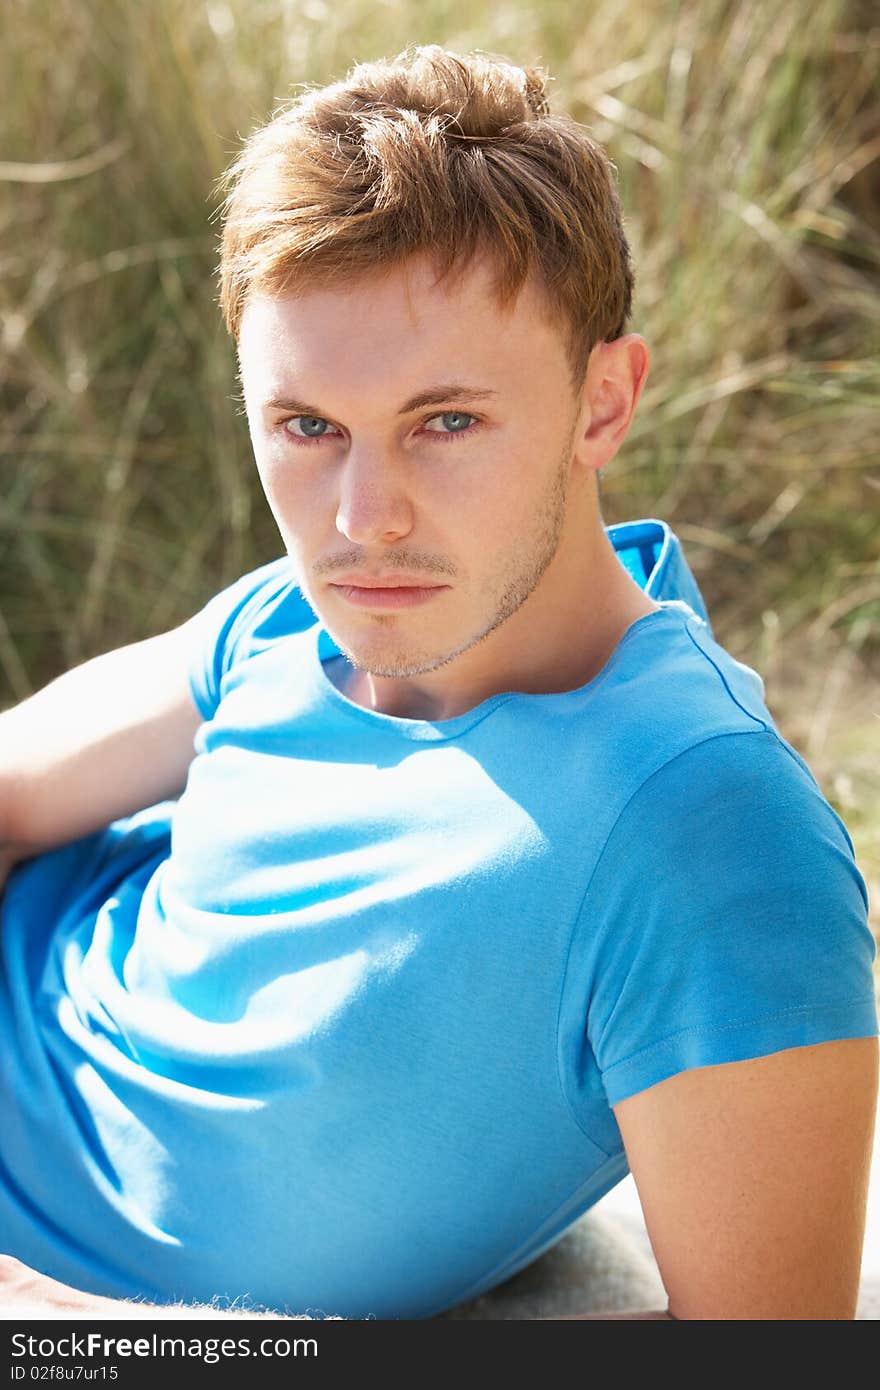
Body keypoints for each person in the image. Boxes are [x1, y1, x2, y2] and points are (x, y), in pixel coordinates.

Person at [0, 44, 877, 1322]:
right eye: (308, 427)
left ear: (603, 402)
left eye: (445, 421)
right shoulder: (286, 619)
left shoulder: (715, 848)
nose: (363, 520)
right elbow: (14, 791)